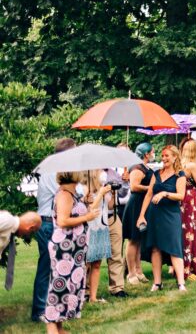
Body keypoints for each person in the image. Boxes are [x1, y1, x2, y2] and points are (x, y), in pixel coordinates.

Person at [44, 171, 100, 333]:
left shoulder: (72, 194)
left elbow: (75, 212)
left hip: (74, 250)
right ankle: (52, 326)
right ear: (72, 175)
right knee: (60, 286)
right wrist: (87, 217)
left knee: (68, 287)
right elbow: (63, 220)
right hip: (65, 249)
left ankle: (59, 327)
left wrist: (85, 203)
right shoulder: (64, 195)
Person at [32, 139, 75, 322]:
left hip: (54, 223)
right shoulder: (52, 172)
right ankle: (40, 311)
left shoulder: (60, 170)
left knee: (59, 266)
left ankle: (57, 308)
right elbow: (64, 193)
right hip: (48, 223)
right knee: (47, 267)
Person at [138, 145, 187, 292]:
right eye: (163, 155)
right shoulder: (156, 173)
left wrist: (165, 193)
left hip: (171, 215)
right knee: (155, 248)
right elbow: (148, 194)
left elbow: (181, 196)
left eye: (167, 156)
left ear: (174, 157)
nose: (164, 158)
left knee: (174, 247)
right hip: (154, 214)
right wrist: (141, 215)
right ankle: (157, 283)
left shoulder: (180, 175)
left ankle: (181, 283)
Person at [121, 142, 154, 286]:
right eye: (152, 151)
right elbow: (134, 186)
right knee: (133, 239)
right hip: (136, 204)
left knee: (139, 239)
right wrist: (151, 188)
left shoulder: (145, 167)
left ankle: (139, 270)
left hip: (144, 204)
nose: (154, 153)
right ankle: (131, 273)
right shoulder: (137, 167)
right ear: (146, 154)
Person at [102, 145, 131, 300]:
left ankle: (117, 287)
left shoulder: (113, 173)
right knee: (93, 256)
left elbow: (123, 194)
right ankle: (86, 290)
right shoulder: (89, 174)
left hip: (113, 216)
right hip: (97, 219)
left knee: (116, 253)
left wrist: (125, 182)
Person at [179, 139, 196, 280]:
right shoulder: (192, 166)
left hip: (181, 199)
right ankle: (191, 269)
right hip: (191, 199)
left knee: (184, 233)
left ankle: (180, 267)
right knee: (193, 233)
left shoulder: (179, 164)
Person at [84, 170, 112, 304]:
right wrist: (100, 193)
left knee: (97, 263)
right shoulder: (84, 188)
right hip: (90, 227)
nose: (104, 173)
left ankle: (93, 297)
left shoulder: (103, 188)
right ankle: (81, 295)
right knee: (86, 263)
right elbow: (89, 210)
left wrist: (111, 193)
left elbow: (110, 206)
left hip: (102, 225)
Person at [1, 210, 41, 291]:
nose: (28, 234)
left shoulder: (10, 228)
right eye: (31, 232)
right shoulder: (7, 220)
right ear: (30, 227)